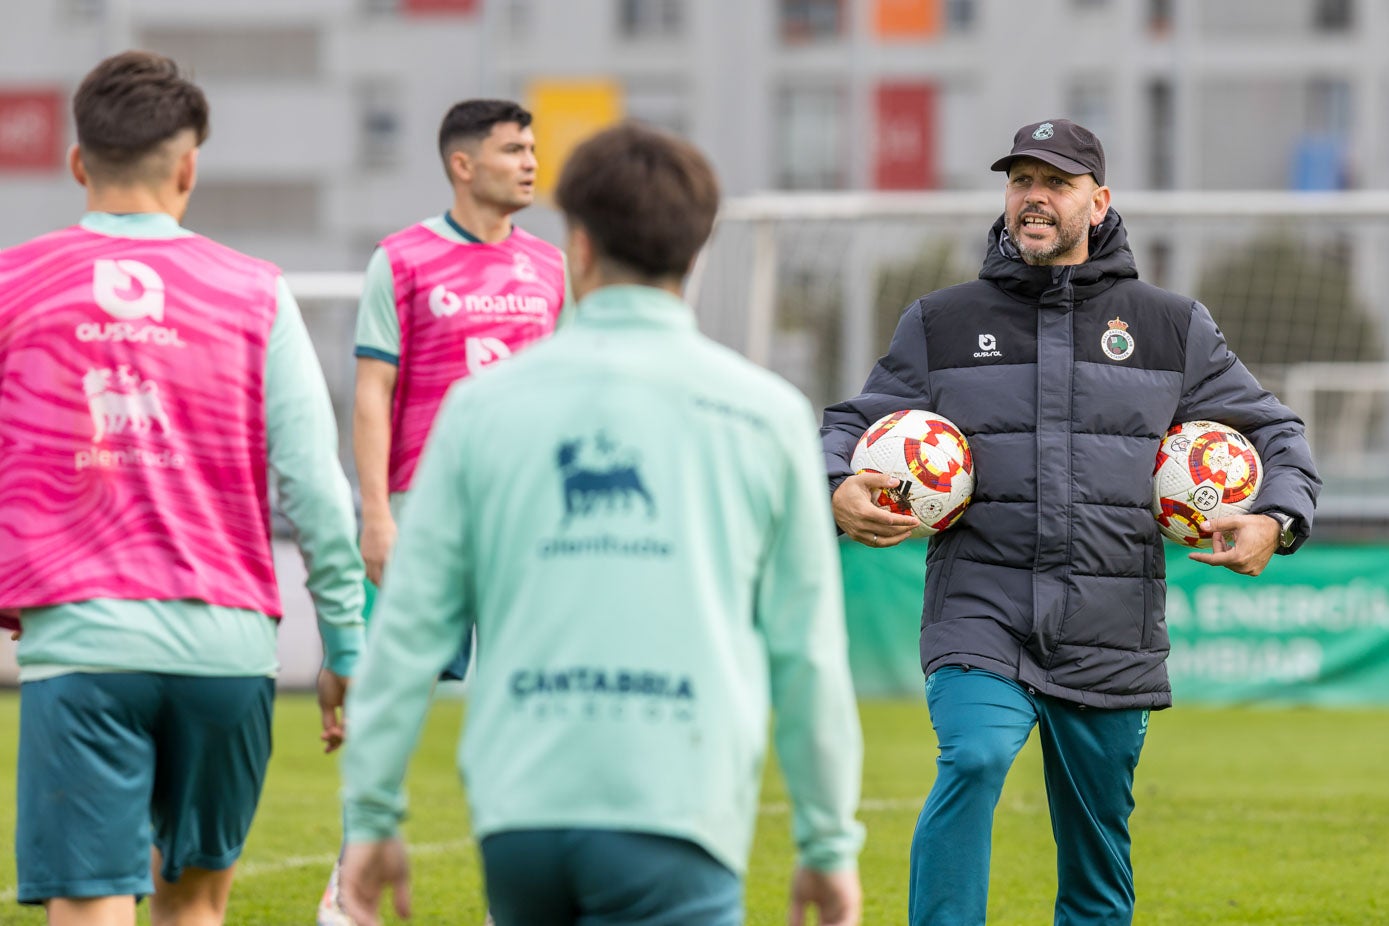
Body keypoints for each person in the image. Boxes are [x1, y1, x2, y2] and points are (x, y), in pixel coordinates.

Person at [337, 122, 866, 926]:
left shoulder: (481, 407)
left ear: (576, 247)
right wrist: (826, 844)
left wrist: (374, 817)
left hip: (522, 816)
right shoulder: (766, 415)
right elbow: (808, 652)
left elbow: (408, 630)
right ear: (696, 254)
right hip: (679, 808)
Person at [821, 118, 1321, 925]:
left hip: (1109, 623)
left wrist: (1275, 518)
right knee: (974, 757)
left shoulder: (1168, 326)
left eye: (1053, 182)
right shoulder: (939, 321)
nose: (1033, 198)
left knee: (1095, 855)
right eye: (1019, 181)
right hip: (978, 609)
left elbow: (1277, 434)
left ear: (1098, 201)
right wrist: (834, 483)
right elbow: (850, 421)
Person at [0, 51, 365, 926]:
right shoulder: (257, 292)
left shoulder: (12, 285)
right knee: (193, 908)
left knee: (90, 909)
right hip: (228, 654)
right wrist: (347, 645)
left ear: (79, 162)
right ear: (190, 165)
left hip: (82, 649)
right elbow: (315, 484)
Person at [315, 98, 570, 924]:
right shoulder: (402, 258)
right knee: (389, 697)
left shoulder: (551, 268)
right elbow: (370, 392)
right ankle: (349, 888)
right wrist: (375, 514)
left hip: (526, 520)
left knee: (527, 707)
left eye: (533, 148)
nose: (530, 162)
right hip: (421, 509)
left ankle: (521, 897)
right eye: (511, 149)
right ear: (462, 165)